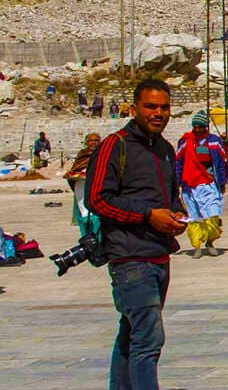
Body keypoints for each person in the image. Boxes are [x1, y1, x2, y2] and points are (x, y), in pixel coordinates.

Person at [87, 79, 186, 390]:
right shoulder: (114, 146)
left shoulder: (166, 150)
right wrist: (147, 216)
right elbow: (98, 198)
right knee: (149, 339)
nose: (158, 113)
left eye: (164, 107)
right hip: (130, 257)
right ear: (134, 109)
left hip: (158, 255)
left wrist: (175, 215)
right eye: (151, 107)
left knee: (131, 334)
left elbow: (169, 197)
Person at [175, 114, 228, 256]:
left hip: (209, 183)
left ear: (206, 127)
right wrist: (177, 182)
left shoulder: (214, 142)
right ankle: (197, 246)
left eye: (200, 127)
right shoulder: (186, 142)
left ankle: (210, 241)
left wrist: (222, 182)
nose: (197, 130)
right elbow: (178, 163)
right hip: (190, 185)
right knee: (195, 216)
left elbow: (221, 164)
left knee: (212, 215)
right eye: (195, 127)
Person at [67, 133, 104, 235]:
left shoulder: (104, 153)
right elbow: (75, 168)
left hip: (99, 186)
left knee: (98, 214)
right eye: (91, 140)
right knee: (85, 213)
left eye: (96, 140)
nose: (94, 143)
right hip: (81, 185)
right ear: (86, 142)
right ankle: (86, 238)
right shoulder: (82, 155)